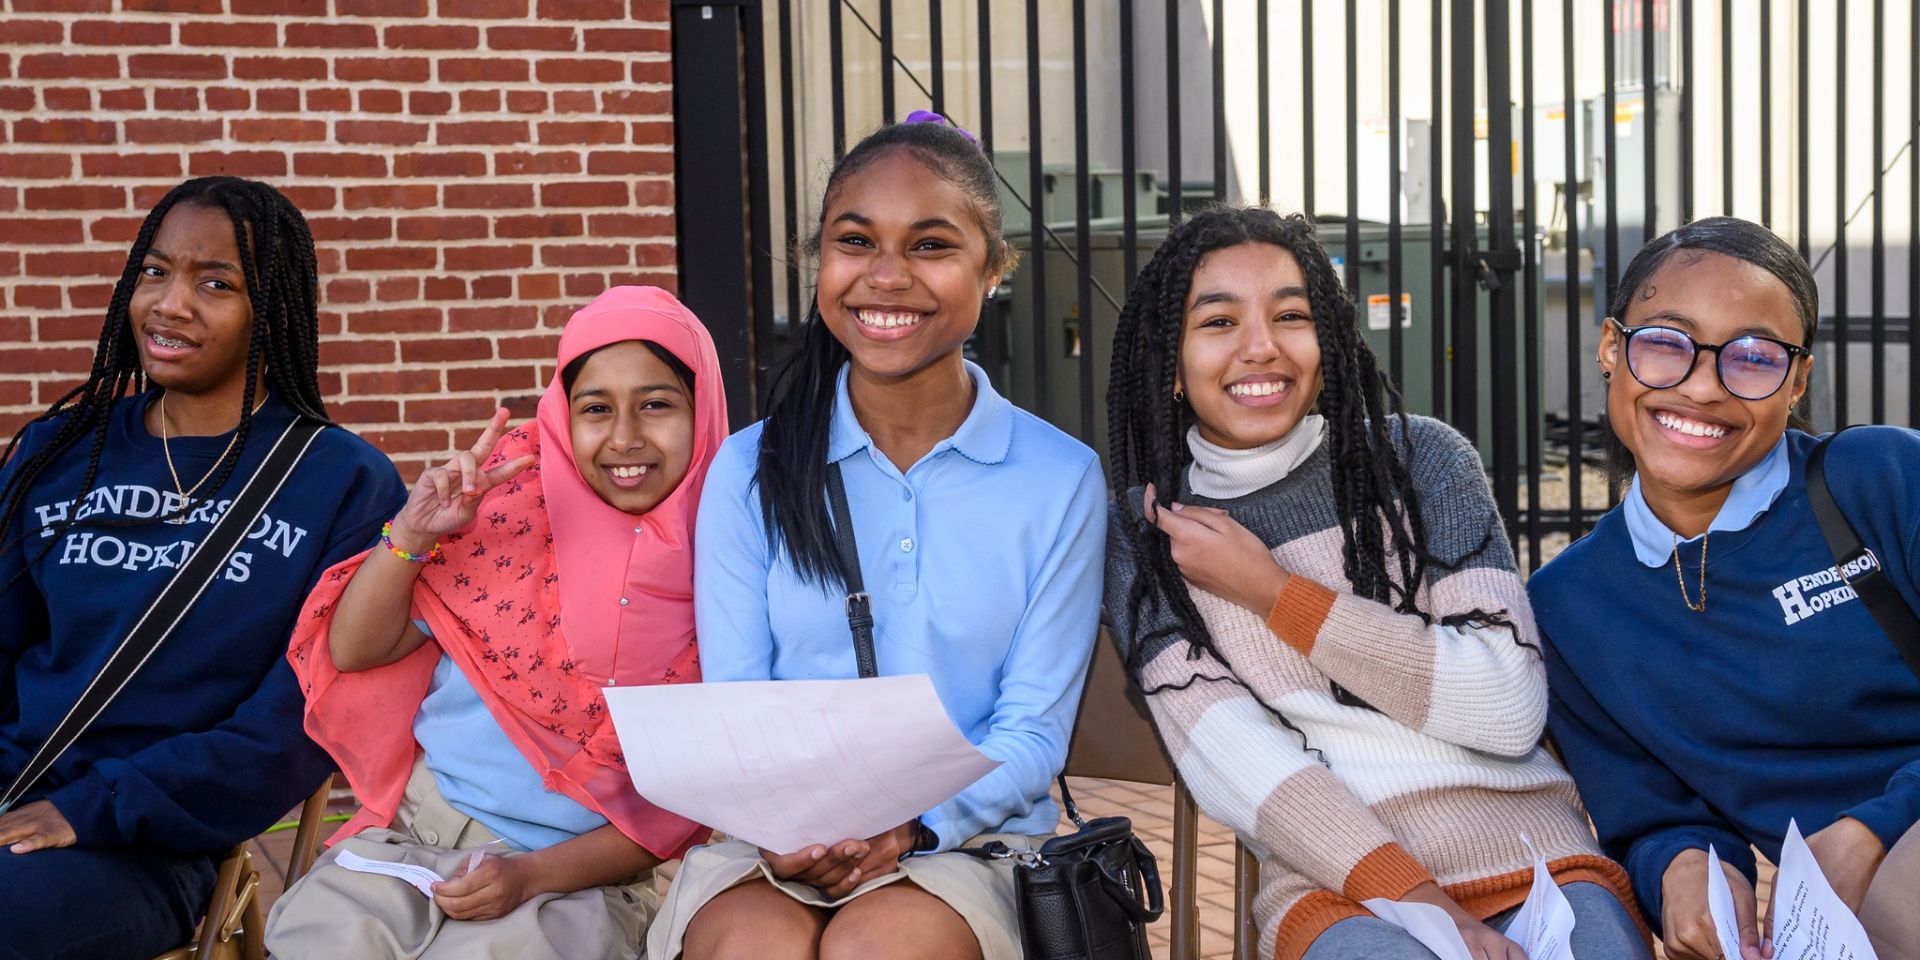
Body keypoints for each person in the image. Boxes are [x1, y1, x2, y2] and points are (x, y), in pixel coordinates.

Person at [1103, 206, 1650, 960]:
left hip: (1535, 857)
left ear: (1327, 339)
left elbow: (1506, 707)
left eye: (1291, 315)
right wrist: (1424, 905)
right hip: (1336, 886)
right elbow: (1236, 757)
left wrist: (1272, 592)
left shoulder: (1423, 462)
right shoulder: (1150, 536)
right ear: (1169, 362)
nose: (1261, 347)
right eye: (1219, 322)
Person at [647, 115, 1105, 960]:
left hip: (969, 838)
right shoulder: (752, 467)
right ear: (819, 260)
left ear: (993, 268)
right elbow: (740, 704)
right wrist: (781, 827)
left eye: (930, 245)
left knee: (879, 947)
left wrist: (914, 826)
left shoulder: (1061, 478)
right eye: (855, 241)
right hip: (774, 840)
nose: (886, 278)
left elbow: (1031, 731)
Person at [0, 176, 405, 960]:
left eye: (214, 283)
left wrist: (97, 807)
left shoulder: (340, 483)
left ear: (273, 313)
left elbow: (297, 725)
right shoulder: (58, 453)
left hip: (144, 845)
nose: (170, 304)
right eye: (155, 273)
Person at [264, 286, 727, 959]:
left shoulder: (728, 562)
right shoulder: (505, 514)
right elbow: (357, 648)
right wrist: (412, 534)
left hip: (569, 881)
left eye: (656, 404)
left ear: (703, 407)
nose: (624, 437)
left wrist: (529, 877)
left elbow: (678, 808)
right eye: (595, 408)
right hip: (413, 845)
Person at [1528, 216, 1920, 960]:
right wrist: (1683, 870)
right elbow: (1646, 809)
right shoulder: (1570, 605)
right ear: (1613, 350)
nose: (1702, 388)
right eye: (1666, 344)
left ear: (1797, 379)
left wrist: (1878, 828)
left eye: (1753, 357)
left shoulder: (1883, 479)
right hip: (1840, 921)